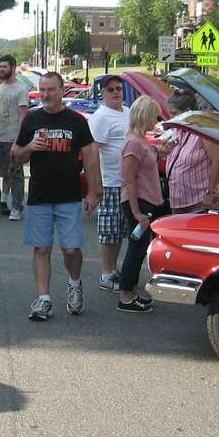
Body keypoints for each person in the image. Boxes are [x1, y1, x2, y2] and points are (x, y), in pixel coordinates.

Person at [12, 72, 101, 321]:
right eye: (42, 89)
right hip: (39, 195)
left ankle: (74, 284)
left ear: (62, 90)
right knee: (41, 248)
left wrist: (93, 191)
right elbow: (17, 154)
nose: (45, 94)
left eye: (51, 89)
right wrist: (29, 147)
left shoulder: (76, 121)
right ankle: (44, 299)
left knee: (71, 250)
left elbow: (91, 158)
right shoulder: (32, 118)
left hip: (69, 195)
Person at [117, 96, 170, 314]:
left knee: (139, 250)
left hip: (146, 201)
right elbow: (129, 178)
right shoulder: (133, 142)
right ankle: (126, 296)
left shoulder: (141, 140)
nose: (156, 120)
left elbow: (146, 160)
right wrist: (137, 211)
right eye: (154, 116)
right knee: (136, 249)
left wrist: (159, 151)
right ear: (144, 115)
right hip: (138, 203)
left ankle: (130, 293)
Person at [86, 75, 130, 291]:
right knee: (107, 229)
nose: (116, 92)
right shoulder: (100, 117)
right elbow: (92, 152)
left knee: (119, 230)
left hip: (127, 183)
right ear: (103, 93)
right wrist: (96, 184)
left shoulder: (128, 112)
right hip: (110, 181)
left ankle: (114, 270)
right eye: (111, 89)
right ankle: (105, 273)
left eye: (119, 89)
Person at [165, 90, 219, 216]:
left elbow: (218, 162)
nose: (171, 117)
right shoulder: (177, 129)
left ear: (188, 112)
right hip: (179, 200)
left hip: (200, 201)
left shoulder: (204, 132)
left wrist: (210, 193)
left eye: (174, 113)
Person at [0, 55, 29, 220]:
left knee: (15, 174)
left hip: (13, 139)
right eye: (0, 67)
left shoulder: (21, 89)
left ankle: (16, 208)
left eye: (4, 67)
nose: (1, 69)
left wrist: (18, 142)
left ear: (12, 67)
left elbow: (23, 117)